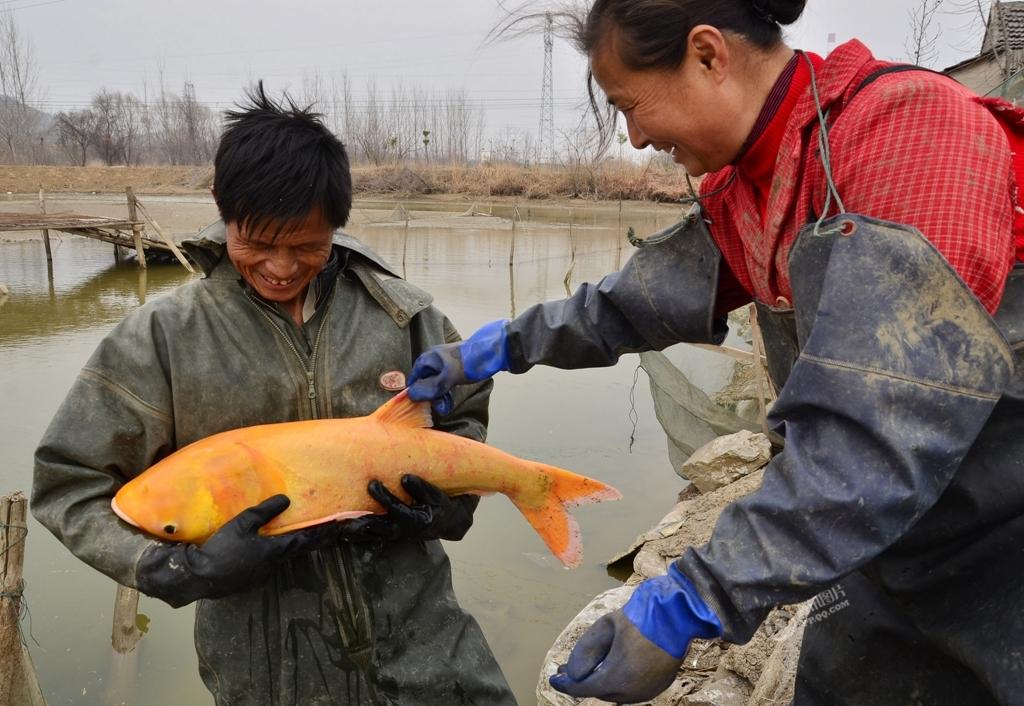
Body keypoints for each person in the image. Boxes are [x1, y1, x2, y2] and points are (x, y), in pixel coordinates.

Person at [407, 1, 1024, 704]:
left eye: (632, 106)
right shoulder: (755, 186)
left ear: (707, 55)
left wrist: (689, 602)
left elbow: (873, 436)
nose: (635, 139)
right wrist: (491, 351)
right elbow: (627, 305)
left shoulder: (906, 137)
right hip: (896, 548)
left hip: (1004, 546)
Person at [31, 84, 516, 706]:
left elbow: (465, 422)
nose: (281, 267)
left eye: (307, 246)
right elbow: (68, 483)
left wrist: (445, 508)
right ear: (222, 209)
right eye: (257, 243)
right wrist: (172, 568)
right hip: (268, 673)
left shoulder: (408, 318)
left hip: (427, 646)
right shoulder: (161, 340)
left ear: (337, 225)